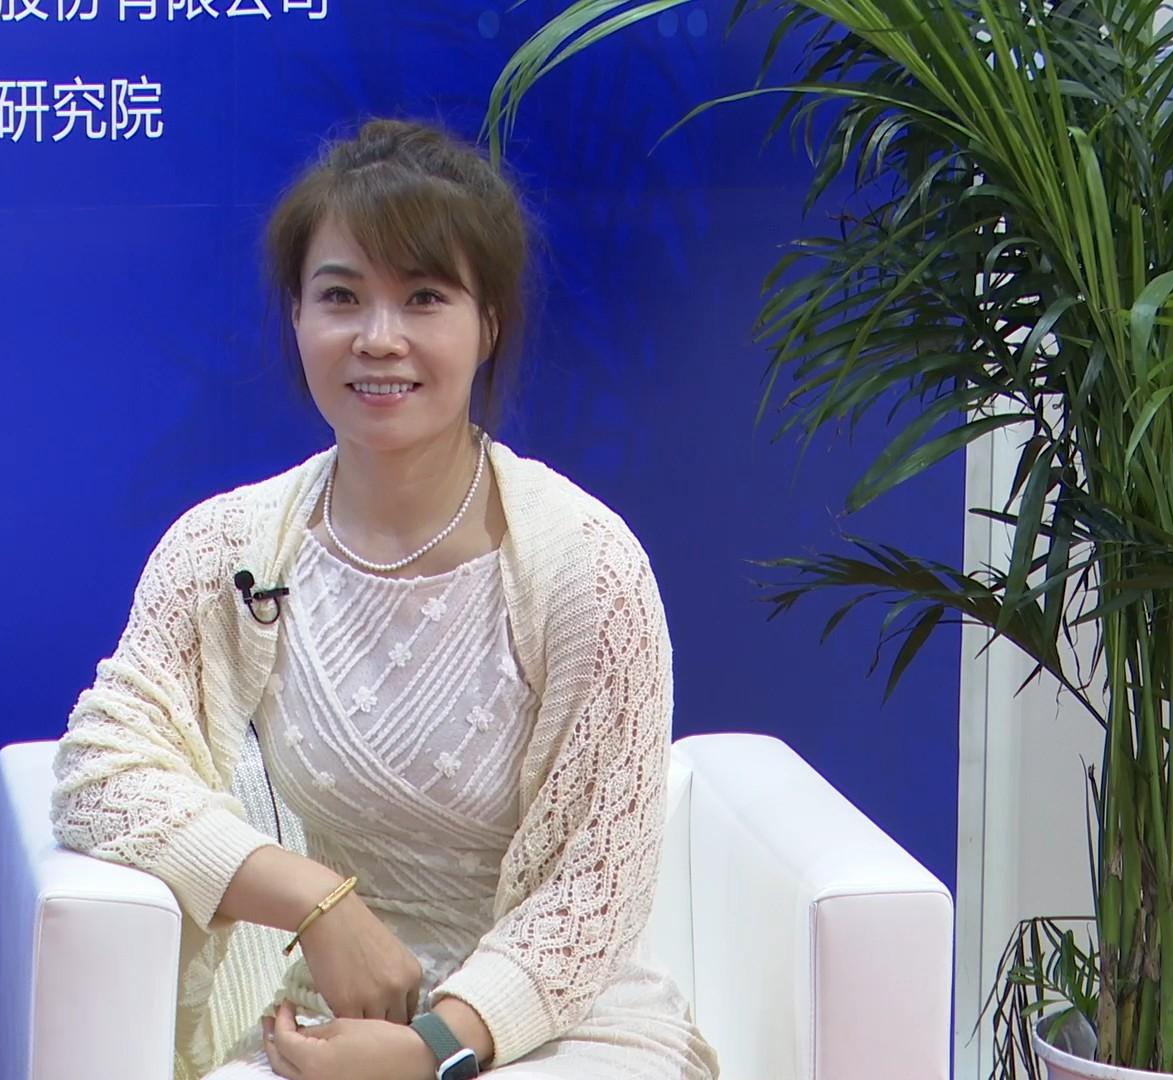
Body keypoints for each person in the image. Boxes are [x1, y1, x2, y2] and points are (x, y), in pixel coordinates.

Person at [51, 117, 719, 1080]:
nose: (378, 338)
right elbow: (99, 771)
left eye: (424, 298)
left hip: (564, 1028)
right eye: (340, 297)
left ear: (488, 324)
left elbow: (593, 896)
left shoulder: (588, 568)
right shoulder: (227, 548)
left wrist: (429, 1049)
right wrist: (316, 902)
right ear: (296, 316)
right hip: (340, 1015)